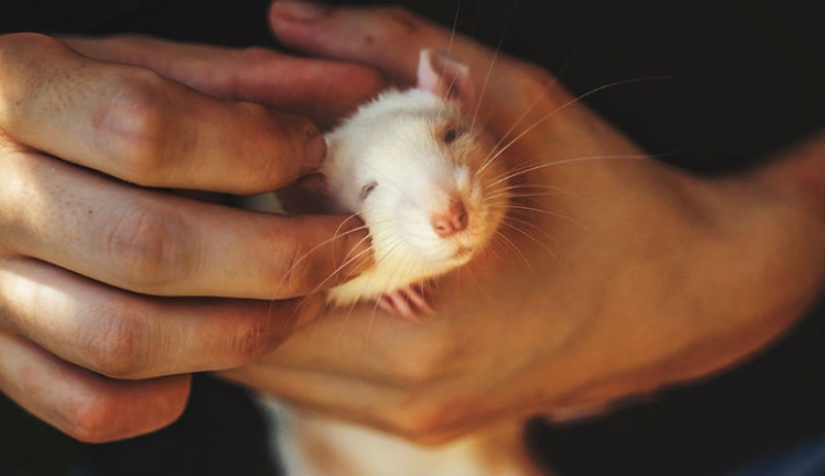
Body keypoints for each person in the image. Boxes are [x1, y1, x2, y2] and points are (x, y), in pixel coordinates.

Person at [1, 1, 822, 475]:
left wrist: (749, 251)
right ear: (315, 195)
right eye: (368, 193)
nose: (446, 208)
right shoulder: (299, 218)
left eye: (451, 141)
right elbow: (317, 275)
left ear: (454, 100)